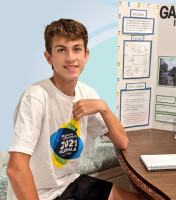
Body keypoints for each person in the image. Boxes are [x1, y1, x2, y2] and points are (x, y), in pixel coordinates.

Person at [6, 18, 142, 200]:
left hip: (69, 182)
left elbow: (122, 142)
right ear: (49, 57)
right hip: (38, 193)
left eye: (76, 49)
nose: (70, 57)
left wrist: (103, 107)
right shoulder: (36, 97)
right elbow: (15, 169)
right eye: (61, 49)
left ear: (86, 55)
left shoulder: (87, 92)